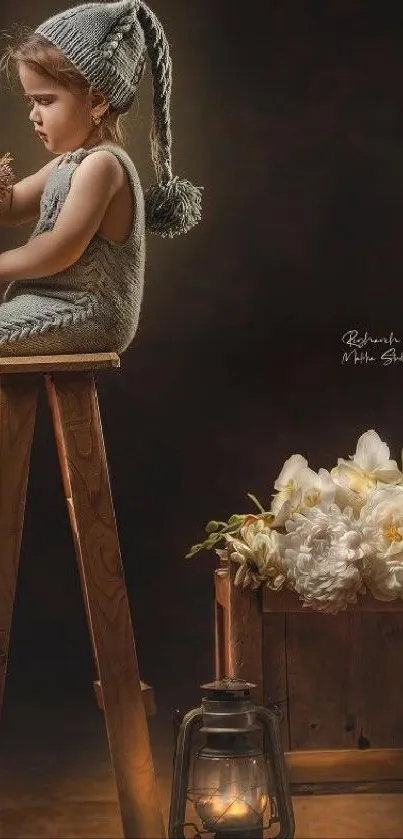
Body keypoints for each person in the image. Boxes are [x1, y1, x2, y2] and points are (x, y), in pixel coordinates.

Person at [0, 0, 203, 356]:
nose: (33, 115)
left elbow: (58, 249)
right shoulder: (69, 163)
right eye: (31, 102)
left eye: (45, 101)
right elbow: (13, 206)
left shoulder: (103, 166)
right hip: (48, 300)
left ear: (97, 101)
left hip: (88, 311)